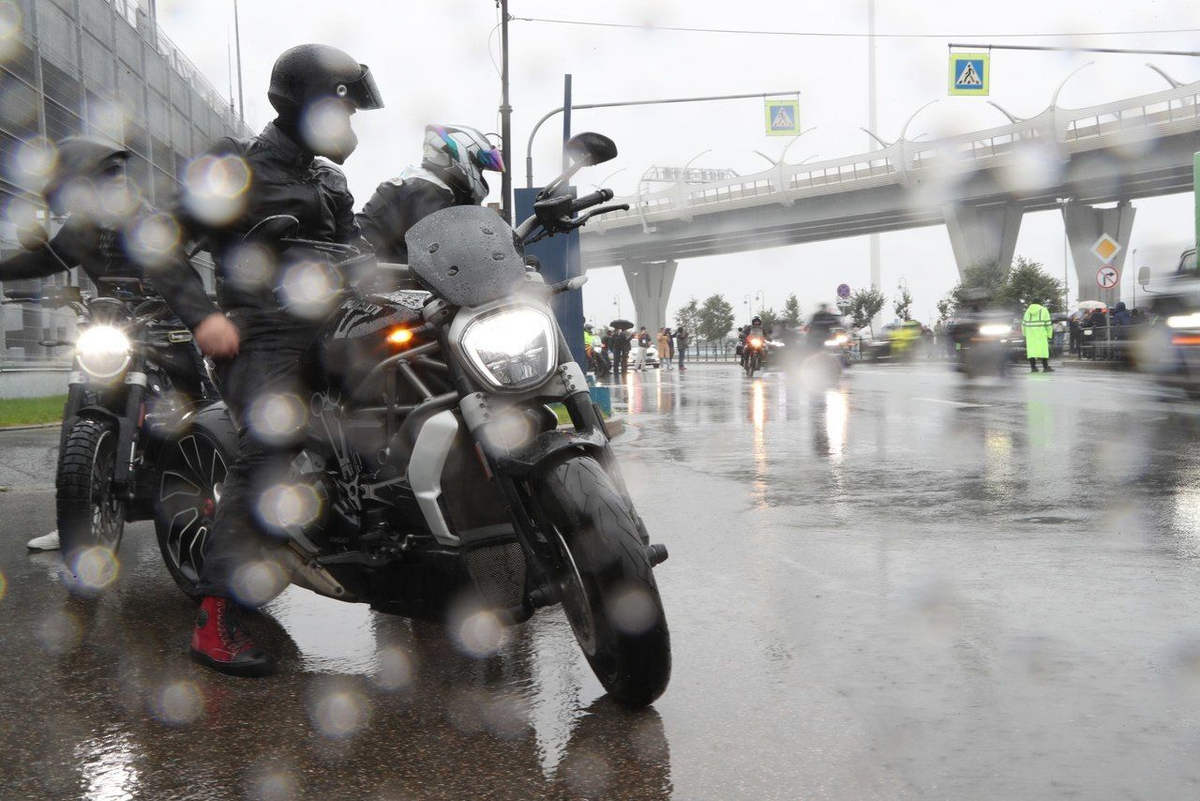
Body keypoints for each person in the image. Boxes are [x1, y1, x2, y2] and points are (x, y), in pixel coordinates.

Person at [149, 44, 384, 677]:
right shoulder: (236, 168)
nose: (348, 124)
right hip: (261, 335)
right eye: (342, 110)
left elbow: (359, 254)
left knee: (418, 385)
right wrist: (204, 317)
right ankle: (214, 618)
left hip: (334, 328)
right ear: (306, 107)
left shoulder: (327, 182)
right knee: (271, 446)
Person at [1, 135, 211, 552]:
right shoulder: (84, 228)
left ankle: (212, 500)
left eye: (117, 176)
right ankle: (75, 515)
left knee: (201, 407)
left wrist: (201, 318)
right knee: (86, 400)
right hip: (114, 330)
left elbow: (182, 278)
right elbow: (46, 259)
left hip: (165, 329)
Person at [356, 124, 504, 262]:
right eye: (480, 166)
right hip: (394, 280)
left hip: (435, 280)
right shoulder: (406, 193)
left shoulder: (453, 201)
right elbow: (357, 239)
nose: (480, 172)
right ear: (464, 156)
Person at [1022, 301, 1053, 372]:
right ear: (1040, 303)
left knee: (1032, 351)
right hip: (1041, 334)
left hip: (1030, 335)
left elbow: (1023, 324)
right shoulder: (1044, 310)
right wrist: (1049, 335)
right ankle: (1045, 367)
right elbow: (1048, 324)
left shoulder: (1027, 311)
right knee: (1043, 351)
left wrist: (1024, 334)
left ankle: (1033, 367)